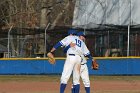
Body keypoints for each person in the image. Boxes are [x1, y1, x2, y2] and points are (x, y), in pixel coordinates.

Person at [49, 29, 85, 93]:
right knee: (76, 80)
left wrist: (51, 51)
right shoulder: (80, 40)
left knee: (64, 77)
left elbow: (59, 44)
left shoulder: (69, 37)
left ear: (70, 34)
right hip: (79, 59)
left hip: (71, 58)